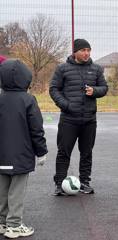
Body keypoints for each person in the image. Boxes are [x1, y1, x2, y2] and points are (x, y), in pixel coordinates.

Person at [50, 39, 108, 195]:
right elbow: (54, 89)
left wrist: (95, 91)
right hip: (69, 120)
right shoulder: (62, 68)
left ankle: (84, 182)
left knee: (87, 152)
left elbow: (104, 88)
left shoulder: (96, 69)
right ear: (75, 51)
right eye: (83, 50)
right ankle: (59, 184)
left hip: (89, 119)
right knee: (63, 152)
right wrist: (66, 105)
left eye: (89, 50)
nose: (86, 53)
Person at [0, 59, 48, 238]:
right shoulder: (28, 99)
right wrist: (41, 151)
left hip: (1, 155)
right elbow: (36, 128)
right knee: (17, 190)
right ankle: (14, 225)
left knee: (2, 189)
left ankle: (2, 222)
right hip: (21, 154)